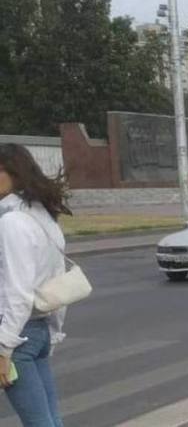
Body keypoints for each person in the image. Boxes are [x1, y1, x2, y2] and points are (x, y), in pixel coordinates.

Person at [0, 144, 70, 427]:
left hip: (18, 336)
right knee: (50, 420)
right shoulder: (42, 216)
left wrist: (3, 348)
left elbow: (17, 292)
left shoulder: (12, 223)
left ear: (12, 173)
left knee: (39, 423)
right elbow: (57, 282)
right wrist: (53, 331)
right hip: (37, 330)